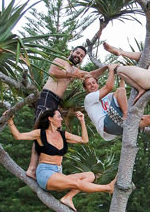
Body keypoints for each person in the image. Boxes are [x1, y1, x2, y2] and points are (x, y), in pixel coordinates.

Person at [5, 108, 116, 211]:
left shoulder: (63, 135)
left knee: (90, 175)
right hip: (45, 173)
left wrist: (82, 121)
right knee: (77, 183)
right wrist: (10, 121)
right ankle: (108, 188)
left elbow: (84, 140)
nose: (61, 119)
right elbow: (19, 136)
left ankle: (68, 198)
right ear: (50, 119)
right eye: (58, 116)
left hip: (58, 172)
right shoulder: (40, 133)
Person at [25, 45, 106, 178]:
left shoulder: (75, 70)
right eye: (77, 53)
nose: (78, 56)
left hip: (56, 102)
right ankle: (32, 169)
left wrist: (106, 68)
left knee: (52, 135)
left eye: (81, 56)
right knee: (41, 133)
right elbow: (54, 72)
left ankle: (47, 169)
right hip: (47, 96)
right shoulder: (60, 60)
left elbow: (92, 75)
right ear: (71, 52)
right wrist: (74, 74)